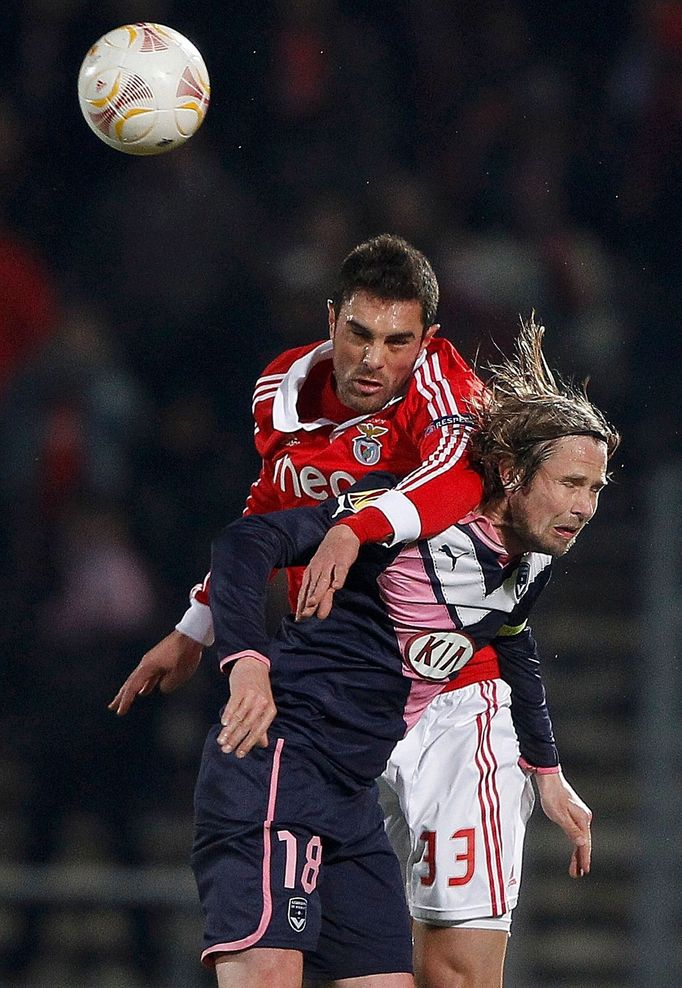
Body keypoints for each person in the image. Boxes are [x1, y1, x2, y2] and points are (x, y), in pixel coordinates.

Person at [186, 317, 620, 987]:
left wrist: (546, 766)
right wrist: (244, 661)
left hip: (350, 786)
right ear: (509, 471)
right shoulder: (407, 513)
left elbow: (508, 637)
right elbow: (247, 544)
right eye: (570, 483)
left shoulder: (533, 561)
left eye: (595, 490)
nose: (585, 507)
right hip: (286, 759)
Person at [110, 232, 487, 712]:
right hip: (324, 659)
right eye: (359, 334)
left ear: (426, 340)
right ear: (332, 320)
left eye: (398, 342)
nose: (374, 360)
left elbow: (459, 473)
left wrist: (355, 529)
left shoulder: (443, 384)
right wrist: (197, 625)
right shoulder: (279, 385)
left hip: (444, 670)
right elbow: (272, 502)